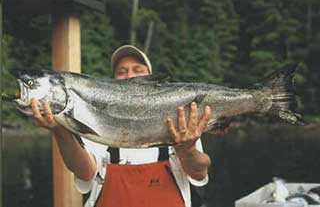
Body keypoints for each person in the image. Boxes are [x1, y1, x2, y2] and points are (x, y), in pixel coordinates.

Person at [31, 45, 214, 207]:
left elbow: (199, 172)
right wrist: (59, 130)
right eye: (122, 71)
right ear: (113, 81)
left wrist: (187, 149)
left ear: (151, 80)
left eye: (138, 69)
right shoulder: (96, 117)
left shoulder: (177, 117)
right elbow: (85, 172)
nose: (130, 76)